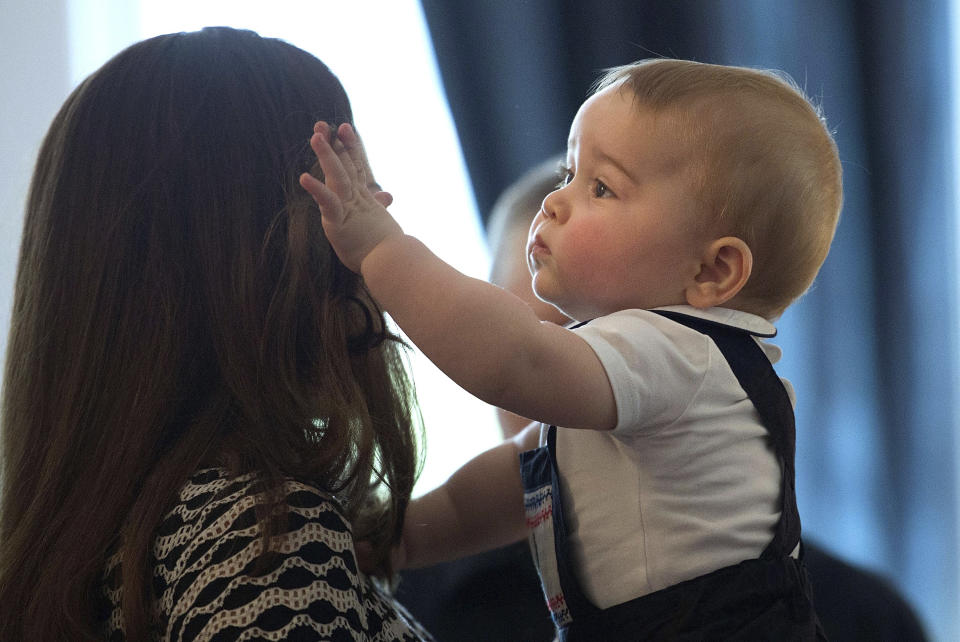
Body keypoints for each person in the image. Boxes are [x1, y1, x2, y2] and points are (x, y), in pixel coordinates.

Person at [301, 58, 842, 638]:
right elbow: (508, 489)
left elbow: (514, 360)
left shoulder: (683, 355)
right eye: (567, 174)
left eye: (602, 186)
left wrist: (380, 250)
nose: (555, 203)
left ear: (712, 270)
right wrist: (399, 536)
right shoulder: (635, 387)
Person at [0, 27, 431, 641]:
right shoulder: (266, 538)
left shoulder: (103, 555)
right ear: (271, 244)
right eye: (348, 188)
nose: (377, 216)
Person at [397, 157, 929, 641]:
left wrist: (380, 251)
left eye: (597, 339)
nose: (552, 382)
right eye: (531, 332)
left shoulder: (861, 617)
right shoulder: (410, 596)